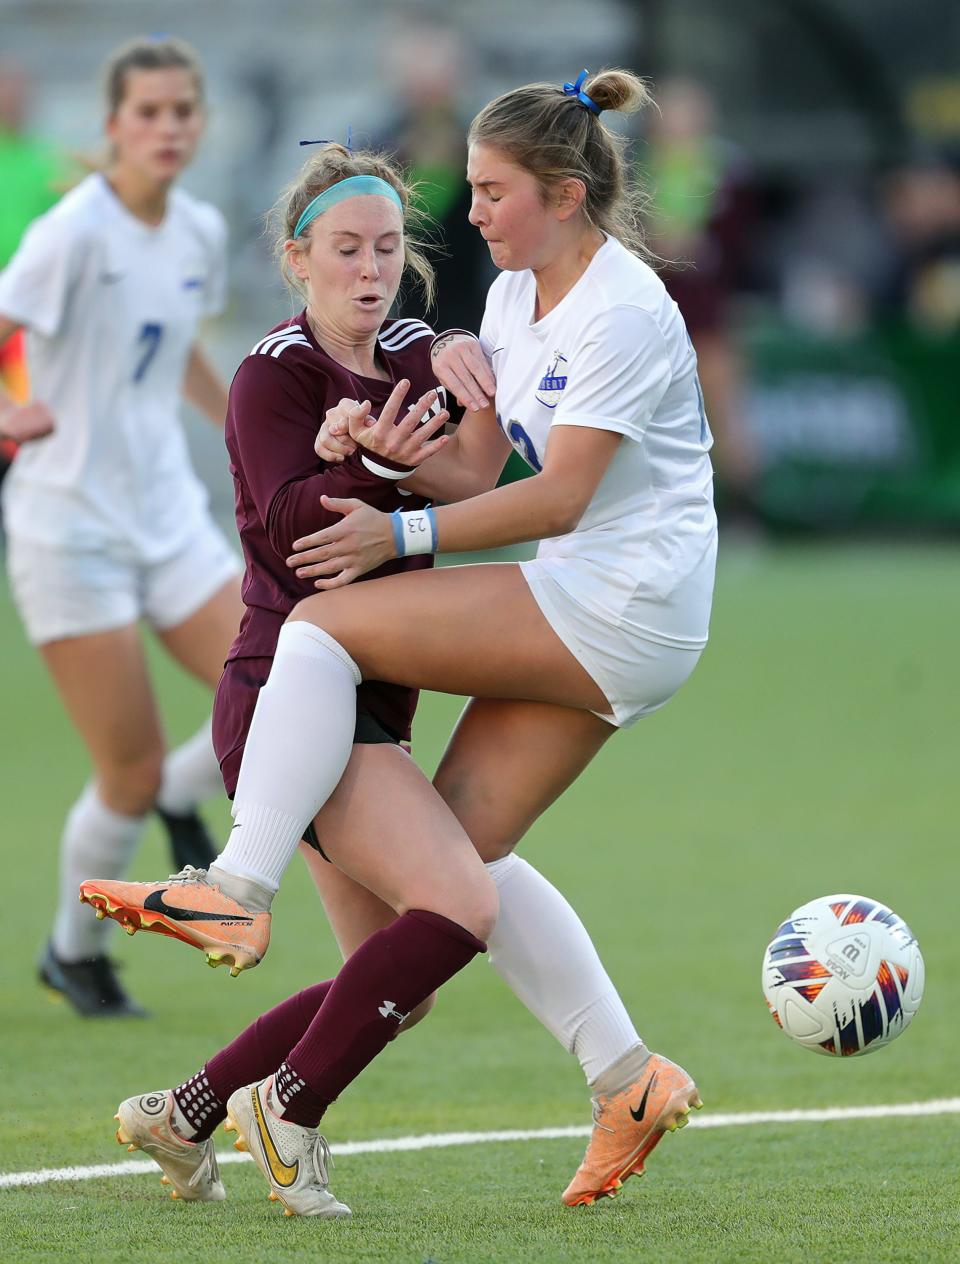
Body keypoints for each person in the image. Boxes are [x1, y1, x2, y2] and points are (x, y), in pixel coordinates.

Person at [82, 67, 715, 1212]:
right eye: (354, 248)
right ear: (301, 259)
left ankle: (236, 886)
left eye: (490, 191)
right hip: (581, 602)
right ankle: (623, 1076)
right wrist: (384, 450)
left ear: (565, 195)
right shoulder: (511, 297)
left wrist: (396, 505)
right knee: (435, 920)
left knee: (330, 639)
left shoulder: (623, 309)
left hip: (620, 596)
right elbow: (468, 466)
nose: (466, 215)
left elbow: (553, 496)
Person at [0, 36, 243, 1017]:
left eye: (184, 109)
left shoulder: (197, 229)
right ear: (112, 128)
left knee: (274, 681)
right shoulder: (73, 233)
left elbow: (178, 340)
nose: (169, 127)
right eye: (148, 112)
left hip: (167, 518)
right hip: (71, 531)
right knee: (127, 770)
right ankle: (74, 951)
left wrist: (242, 425)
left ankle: (187, 796)